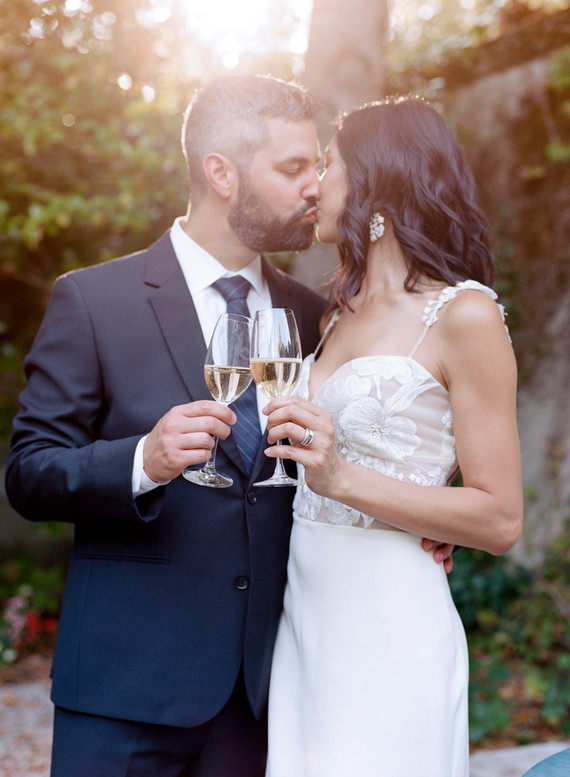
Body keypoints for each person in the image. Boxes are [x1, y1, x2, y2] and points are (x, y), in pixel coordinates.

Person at [5, 74, 326, 777]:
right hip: (123, 692)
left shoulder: (312, 314)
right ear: (221, 172)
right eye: (293, 167)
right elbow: (28, 469)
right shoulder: (94, 299)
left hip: (261, 699)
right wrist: (140, 461)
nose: (317, 186)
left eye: (321, 166)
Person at [262, 96, 524, 777]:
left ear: (377, 183)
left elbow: (499, 516)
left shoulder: (464, 314)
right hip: (306, 612)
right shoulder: (335, 314)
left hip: (389, 621)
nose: (312, 183)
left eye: (328, 164)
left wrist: (345, 479)